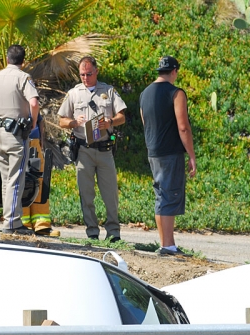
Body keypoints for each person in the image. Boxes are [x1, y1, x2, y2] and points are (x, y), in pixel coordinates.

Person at [57, 56, 126, 242]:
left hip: (105, 150)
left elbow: (122, 116)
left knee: (110, 194)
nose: (85, 78)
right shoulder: (74, 93)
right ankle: (92, 232)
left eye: (88, 74)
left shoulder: (109, 91)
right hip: (83, 150)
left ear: (96, 71)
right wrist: (73, 122)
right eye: (82, 74)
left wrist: (110, 122)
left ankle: (113, 233)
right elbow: (61, 120)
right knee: (86, 193)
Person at [0, 45, 39, 235]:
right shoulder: (23, 78)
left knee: (6, 179)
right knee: (16, 178)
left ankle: (9, 218)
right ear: (23, 61)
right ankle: (12, 223)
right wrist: (32, 123)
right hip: (16, 136)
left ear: (7, 58)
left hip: (0, 133)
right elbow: (34, 102)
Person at [139, 56, 197, 255]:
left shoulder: (144, 93)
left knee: (161, 196)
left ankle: (165, 243)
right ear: (174, 72)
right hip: (170, 152)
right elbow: (183, 127)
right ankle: (168, 246)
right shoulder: (176, 93)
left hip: (153, 151)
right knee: (169, 196)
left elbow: (145, 123)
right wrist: (191, 155)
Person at [22, 115, 60, 237]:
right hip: (20, 139)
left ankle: (41, 225)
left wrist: (40, 140)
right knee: (25, 182)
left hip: (31, 140)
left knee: (35, 182)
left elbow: (39, 118)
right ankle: (24, 224)